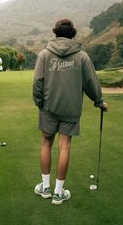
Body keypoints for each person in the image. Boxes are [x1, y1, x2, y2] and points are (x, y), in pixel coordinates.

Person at [33, 19, 108, 205]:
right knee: (64, 146)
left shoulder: (44, 54)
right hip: (71, 109)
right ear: (72, 34)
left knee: (46, 143)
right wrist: (99, 102)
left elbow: (37, 83)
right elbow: (91, 83)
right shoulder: (82, 57)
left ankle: (45, 188)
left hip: (49, 108)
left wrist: (39, 103)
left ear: (56, 33)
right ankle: (58, 193)